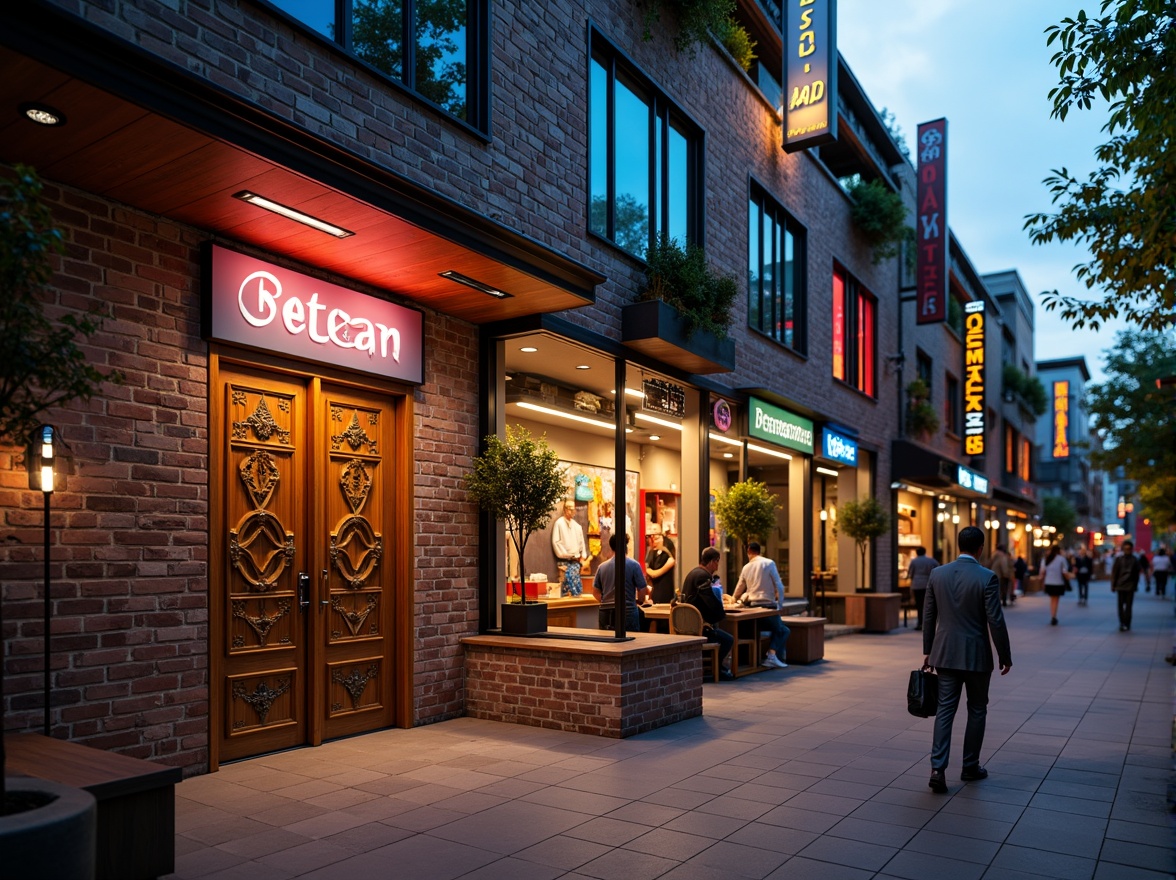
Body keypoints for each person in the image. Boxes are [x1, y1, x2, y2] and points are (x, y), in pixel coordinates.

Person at [923, 525, 1012, 793]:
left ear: (958, 545)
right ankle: (970, 767)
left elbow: (928, 615)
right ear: (981, 548)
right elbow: (995, 620)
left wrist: (928, 650)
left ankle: (937, 769)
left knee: (945, 710)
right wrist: (1004, 655)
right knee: (977, 709)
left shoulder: (937, 573)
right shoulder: (987, 577)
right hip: (976, 657)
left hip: (945, 653)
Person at [732, 541, 790, 669]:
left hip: (753, 608)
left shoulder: (746, 567)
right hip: (768, 607)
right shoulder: (769, 563)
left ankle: (768, 657)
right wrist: (780, 604)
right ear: (760, 551)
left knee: (768, 629)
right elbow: (779, 585)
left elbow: (739, 587)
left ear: (749, 552)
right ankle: (771, 655)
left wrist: (733, 599)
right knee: (783, 630)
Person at [680, 547, 734, 680]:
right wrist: (721, 615)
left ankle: (713, 668)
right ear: (712, 562)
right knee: (728, 639)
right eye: (717, 561)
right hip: (699, 628)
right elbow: (709, 600)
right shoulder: (702, 576)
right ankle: (717, 669)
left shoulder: (693, 573)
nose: (717, 565)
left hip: (687, 625)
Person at [595, 533, 645, 632]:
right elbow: (642, 590)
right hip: (627, 611)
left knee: (606, 643)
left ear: (611, 547)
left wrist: (605, 601)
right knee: (631, 643)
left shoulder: (602, 567)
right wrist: (639, 601)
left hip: (605, 611)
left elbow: (595, 592)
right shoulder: (634, 565)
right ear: (626, 546)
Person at [551, 500, 587, 597]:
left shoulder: (577, 526)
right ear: (565, 510)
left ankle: (577, 596)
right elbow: (556, 542)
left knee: (574, 577)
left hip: (575, 560)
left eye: (573, 509)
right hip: (563, 559)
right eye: (570, 509)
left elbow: (581, 543)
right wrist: (566, 554)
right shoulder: (559, 523)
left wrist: (582, 557)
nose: (572, 512)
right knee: (567, 578)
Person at [1110, 540, 1142, 631]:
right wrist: (1113, 585)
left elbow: (1136, 574)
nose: (1127, 550)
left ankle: (1124, 623)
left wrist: (1113, 585)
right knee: (1125, 606)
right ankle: (1124, 623)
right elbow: (1115, 573)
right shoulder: (1123, 559)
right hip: (1124, 586)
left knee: (1126, 606)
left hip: (1127, 586)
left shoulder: (1132, 560)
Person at [907, 546, 939, 631]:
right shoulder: (931, 560)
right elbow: (938, 568)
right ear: (925, 552)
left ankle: (920, 623)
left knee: (919, 605)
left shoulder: (914, 561)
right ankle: (927, 623)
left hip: (916, 585)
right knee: (928, 605)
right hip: (927, 584)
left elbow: (910, 573)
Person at [644, 526, 676, 604]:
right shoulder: (652, 552)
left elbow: (655, 573)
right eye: (652, 538)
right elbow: (646, 566)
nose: (653, 541)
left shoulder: (666, 553)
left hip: (664, 593)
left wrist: (649, 571)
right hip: (655, 593)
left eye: (656, 538)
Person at [1041, 545, 1071, 626]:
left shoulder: (1046, 559)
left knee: (1052, 599)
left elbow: (1042, 572)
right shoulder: (1061, 559)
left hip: (1049, 582)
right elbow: (1065, 571)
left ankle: (1053, 615)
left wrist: (1042, 582)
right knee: (1056, 599)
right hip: (1058, 582)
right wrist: (1069, 578)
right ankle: (1054, 616)